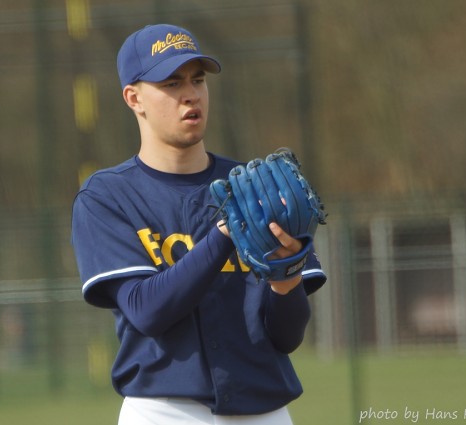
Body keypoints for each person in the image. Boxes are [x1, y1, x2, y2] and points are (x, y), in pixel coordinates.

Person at [71, 23, 327, 425]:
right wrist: (226, 232)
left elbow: (287, 337)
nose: (190, 94)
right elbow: (147, 311)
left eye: (198, 79)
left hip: (266, 411)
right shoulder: (108, 196)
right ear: (134, 98)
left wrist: (287, 274)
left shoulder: (254, 189)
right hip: (164, 413)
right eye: (171, 83)